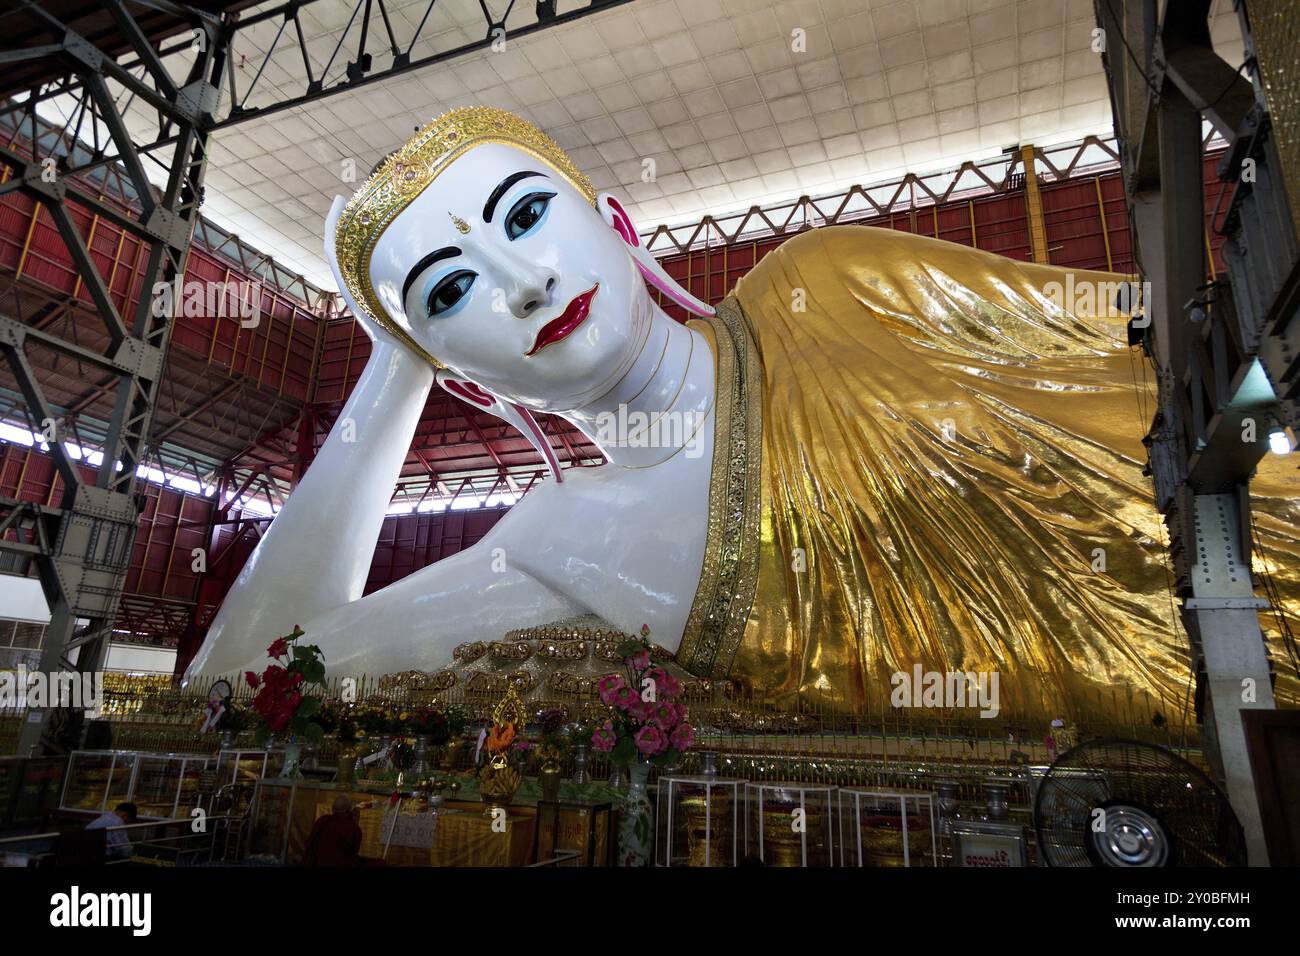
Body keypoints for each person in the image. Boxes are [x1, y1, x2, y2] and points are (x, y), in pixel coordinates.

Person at [184, 106, 1300, 723]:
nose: (520, 280)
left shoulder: (833, 281)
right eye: (449, 289)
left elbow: (1152, 325)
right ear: (465, 380)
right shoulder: (556, 547)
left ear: (615, 220)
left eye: (525, 213)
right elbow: (233, 686)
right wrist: (392, 365)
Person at [303, 794, 363, 867]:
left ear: (332, 808)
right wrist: (354, 822)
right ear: (349, 810)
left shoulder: (322, 820)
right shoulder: (353, 828)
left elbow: (310, 845)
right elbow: (352, 854)